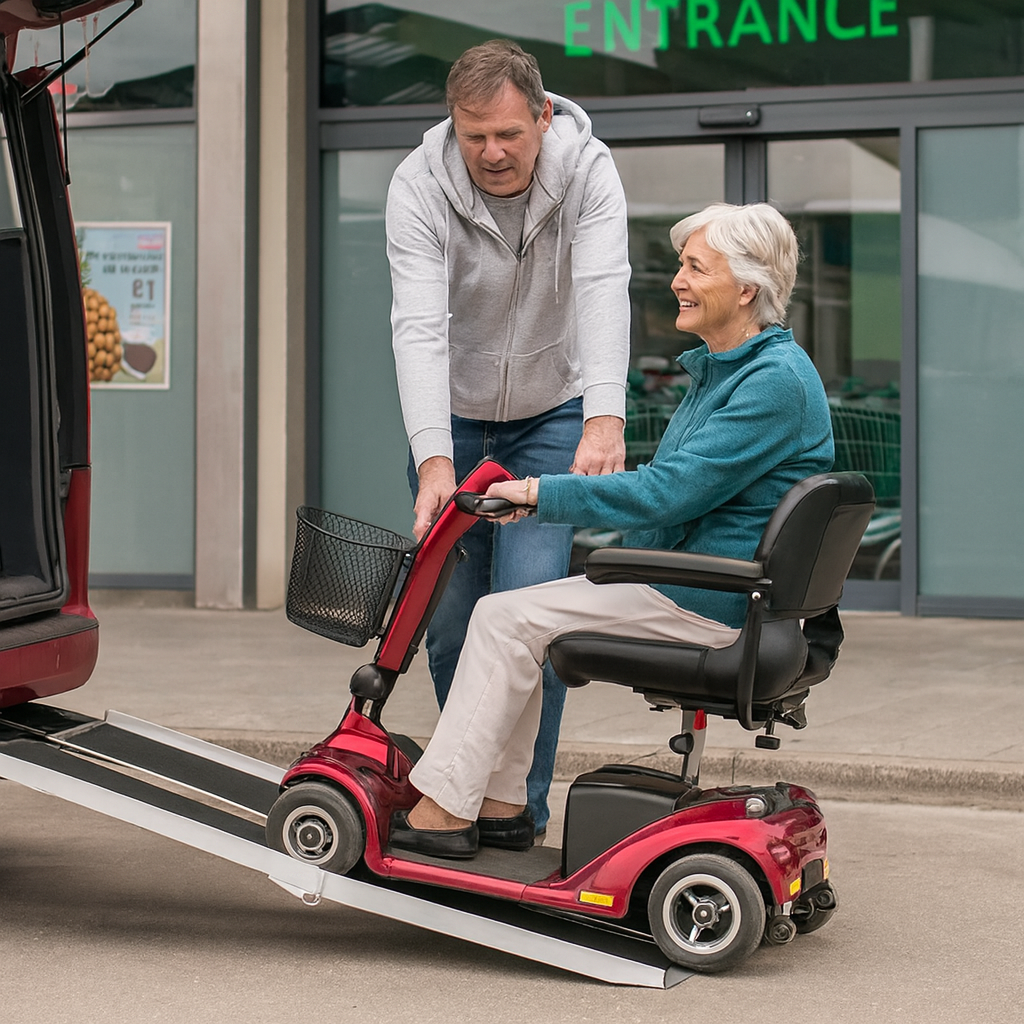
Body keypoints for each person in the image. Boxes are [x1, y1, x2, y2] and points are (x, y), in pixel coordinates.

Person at [388, 202, 835, 859]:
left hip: (708, 602)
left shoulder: (772, 384)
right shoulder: (736, 372)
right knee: (516, 618)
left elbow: (666, 494)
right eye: (681, 265)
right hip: (706, 589)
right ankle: (502, 806)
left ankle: (448, 808)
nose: (676, 280)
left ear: (746, 288)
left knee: (504, 619)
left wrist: (539, 495)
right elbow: (676, 490)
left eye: (694, 268)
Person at [385, 40, 631, 834]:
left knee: (529, 613)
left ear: (543, 115)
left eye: (508, 135)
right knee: (453, 621)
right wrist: (432, 459)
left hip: (551, 415)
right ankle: (462, 789)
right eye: (472, 135)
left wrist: (603, 416)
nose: (490, 153)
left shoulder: (589, 172)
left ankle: (514, 807)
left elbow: (601, 290)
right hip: (453, 421)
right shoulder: (417, 186)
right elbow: (418, 326)